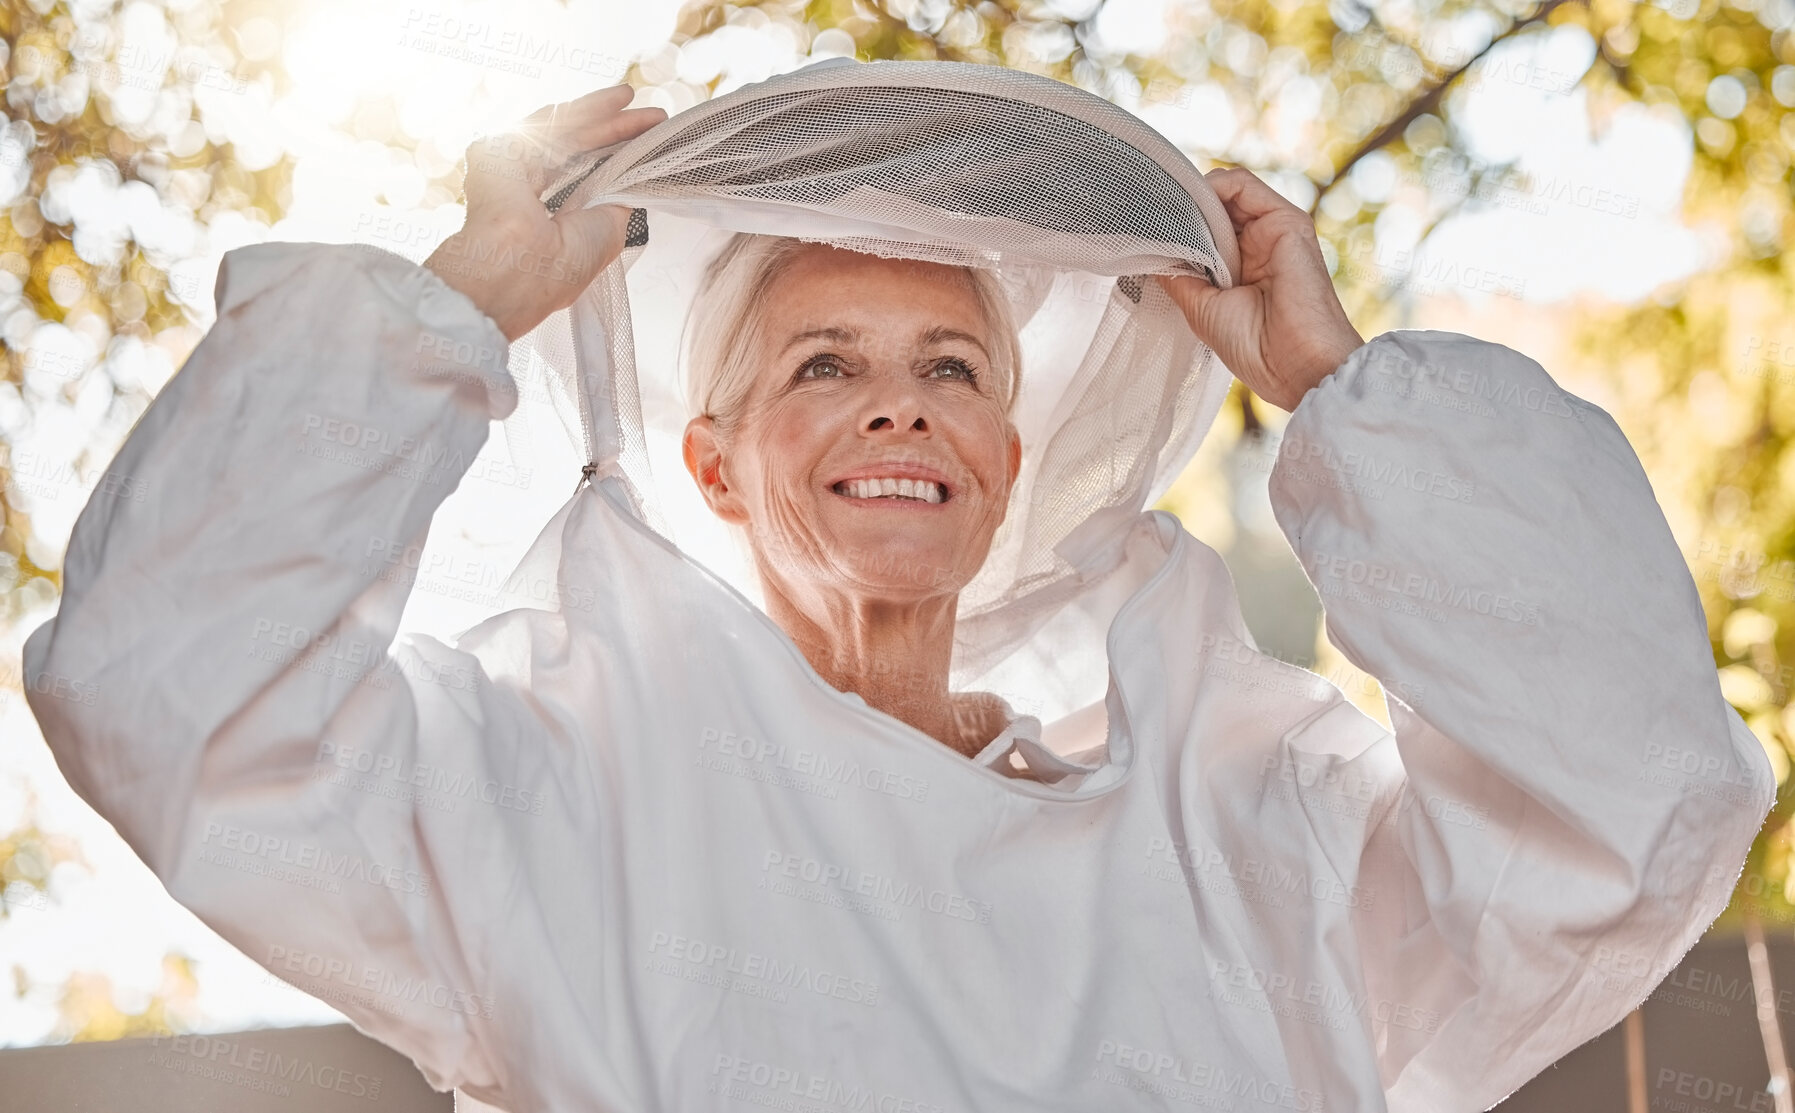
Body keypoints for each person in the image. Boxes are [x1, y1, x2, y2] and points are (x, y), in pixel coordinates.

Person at [23, 80, 1773, 1113]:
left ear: (1006, 460)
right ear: (712, 464)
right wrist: (473, 287)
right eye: (823, 365)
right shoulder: (558, 800)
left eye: (951, 362)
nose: (898, 403)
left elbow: (1628, 808)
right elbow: (169, 683)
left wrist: (1338, 385)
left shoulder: (1240, 824)